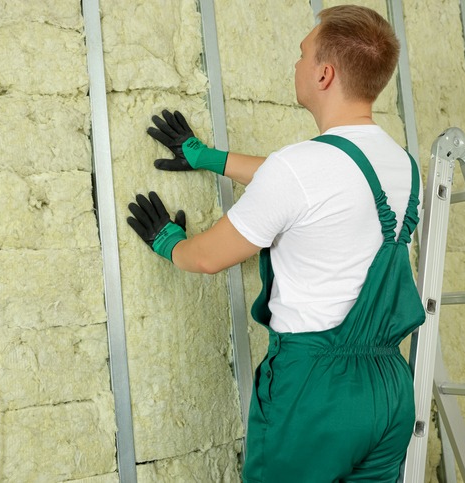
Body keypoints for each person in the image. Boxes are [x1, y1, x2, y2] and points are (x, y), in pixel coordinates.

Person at [126, 5, 425, 482]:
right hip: (389, 390)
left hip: (315, 392)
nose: (296, 63)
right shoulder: (404, 166)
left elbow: (205, 258)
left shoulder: (299, 167)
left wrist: (171, 242)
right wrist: (211, 158)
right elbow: (319, 187)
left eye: (302, 53)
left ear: (324, 74)